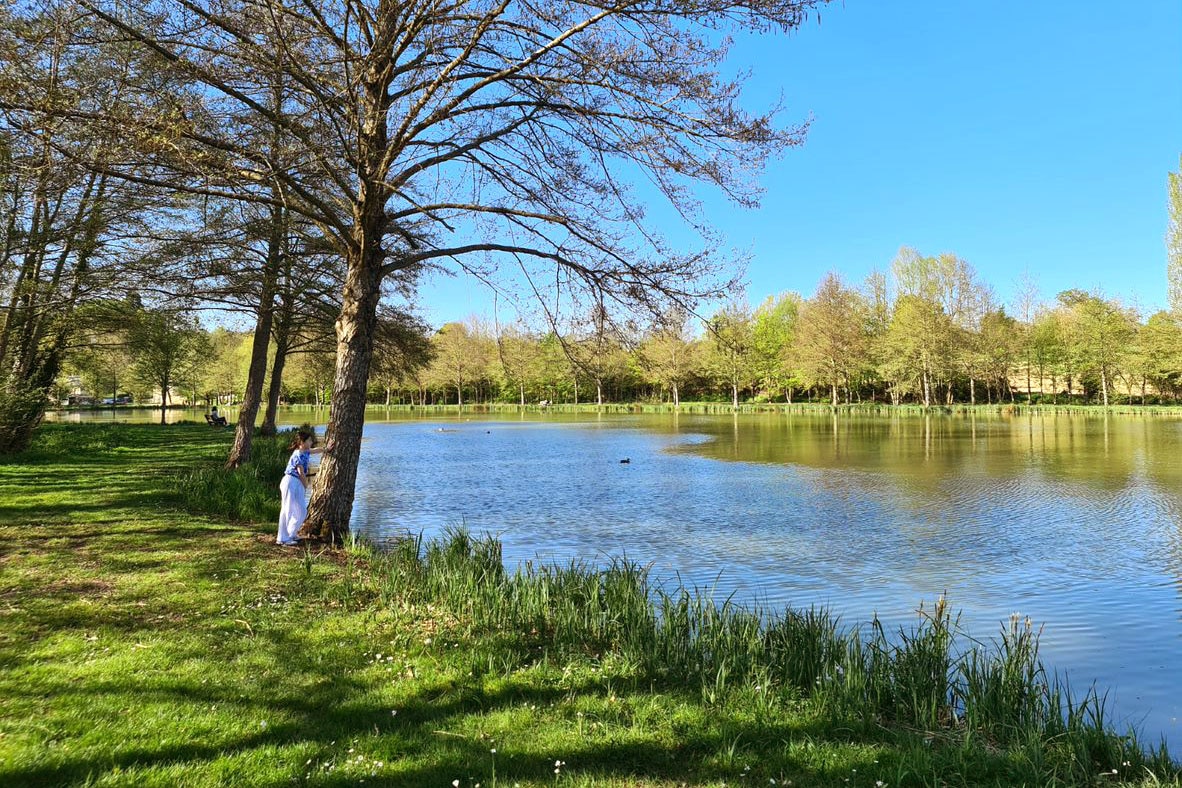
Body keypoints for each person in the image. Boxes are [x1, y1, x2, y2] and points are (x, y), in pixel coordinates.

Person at [276, 429, 327, 545]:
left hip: (297, 483)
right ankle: (282, 538)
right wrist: (306, 485)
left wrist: (326, 448)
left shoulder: (306, 451)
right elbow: (301, 472)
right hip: (290, 481)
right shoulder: (298, 454)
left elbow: (315, 450)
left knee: (302, 511)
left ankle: (291, 533)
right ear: (301, 443)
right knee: (287, 509)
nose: (311, 442)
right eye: (309, 440)